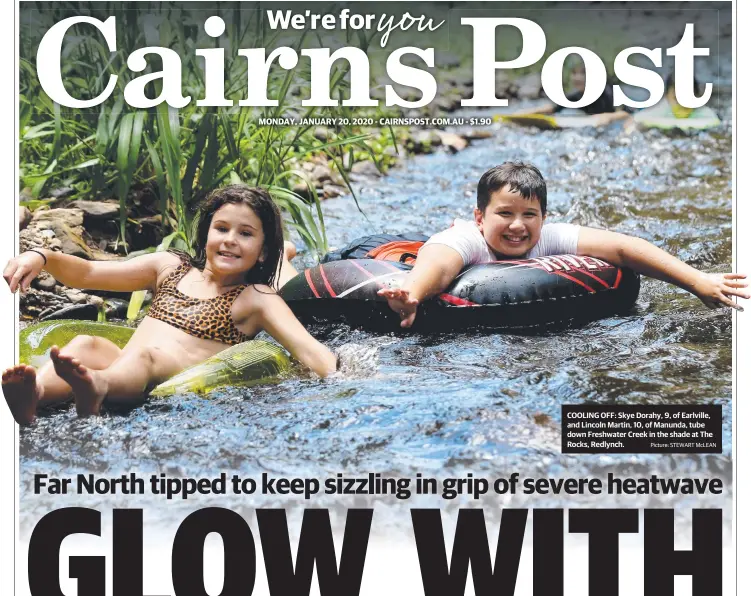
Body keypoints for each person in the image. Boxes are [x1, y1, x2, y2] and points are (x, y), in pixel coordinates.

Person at [2, 184, 337, 424]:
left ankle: (97, 387)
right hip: (126, 364)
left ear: (263, 250)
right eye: (221, 228)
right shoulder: (169, 266)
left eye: (246, 234)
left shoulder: (256, 298)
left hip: (161, 377)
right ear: (206, 234)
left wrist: (348, 376)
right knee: (86, 344)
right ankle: (35, 394)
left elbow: (310, 351)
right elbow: (89, 272)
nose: (230, 240)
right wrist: (42, 256)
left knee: (147, 357)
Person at [377, 162, 748, 328]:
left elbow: (624, 248)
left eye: (530, 215)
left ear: (544, 216)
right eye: (504, 214)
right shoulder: (464, 238)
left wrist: (697, 281)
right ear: (480, 218)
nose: (518, 226)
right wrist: (411, 293)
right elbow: (437, 262)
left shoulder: (549, 236)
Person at [516, 58, 631, 126]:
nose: (577, 78)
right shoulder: (577, 96)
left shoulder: (609, 92)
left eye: (583, 73)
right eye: (574, 73)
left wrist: (608, 117)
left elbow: (626, 113)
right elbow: (552, 108)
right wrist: (524, 114)